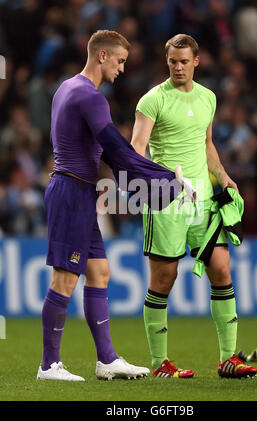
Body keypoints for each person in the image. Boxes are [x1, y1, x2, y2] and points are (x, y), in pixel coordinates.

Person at [37, 30, 184, 382]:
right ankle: (48, 365)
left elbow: (105, 152)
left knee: (100, 272)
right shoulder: (91, 97)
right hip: (72, 193)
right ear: (102, 56)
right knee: (64, 279)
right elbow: (117, 151)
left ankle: (107, 360)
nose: (121, 69)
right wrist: (166, 182)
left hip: (79, 193)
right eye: (119, 61)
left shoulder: (65, 87)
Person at [131, 34, 257, 379]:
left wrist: (223, 175)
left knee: (221, 269)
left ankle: (229, 359)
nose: (178, 67)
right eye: (172, 61)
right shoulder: (152, 100)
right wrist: (152, 183)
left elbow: (206, 144)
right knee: (165, 277)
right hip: (166, 202)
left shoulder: (208, 99)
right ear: (166, 61)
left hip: (203, 201)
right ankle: (160, 364)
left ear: (196, 62)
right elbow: (137, 148)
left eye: (184, 61)